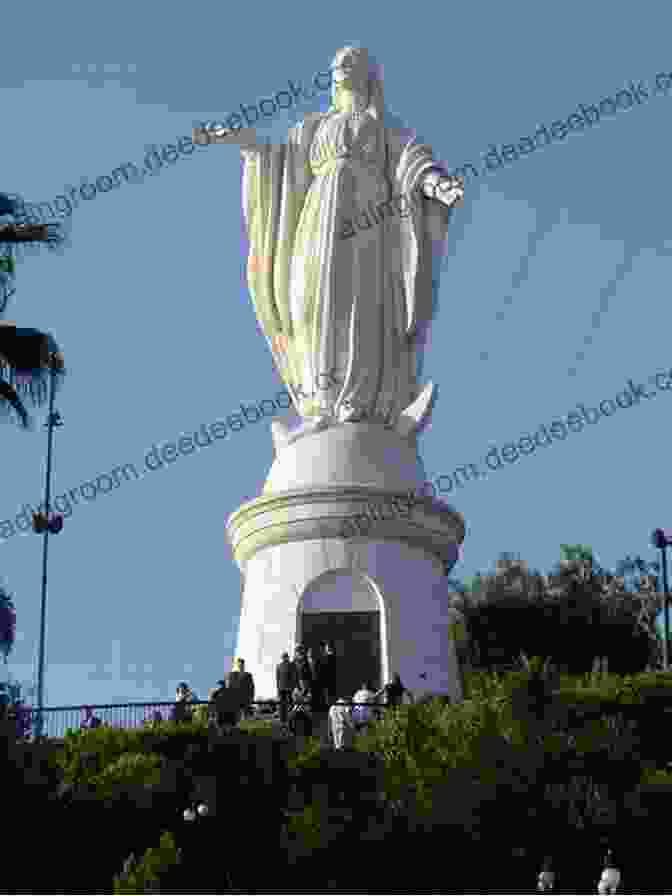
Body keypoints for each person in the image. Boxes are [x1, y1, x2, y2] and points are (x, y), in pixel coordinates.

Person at [276, 652, 298, 725]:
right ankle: (282, 719)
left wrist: (294, 687)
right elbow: (277, 678)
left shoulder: (292, 665)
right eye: (283, 657)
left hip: (289, 688)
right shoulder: (279, 666)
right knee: (282, 705)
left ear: (288, 657)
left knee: (290, 704)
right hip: (281, 688)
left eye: (286, 657)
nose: (285, 658)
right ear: (282, 658)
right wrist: (278, 689)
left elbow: (294, 676)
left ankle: (291, 718)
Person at [318, 642, 337, 708]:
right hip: (331, 681)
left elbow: (324, 669)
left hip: (327, 681)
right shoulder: (331, 657)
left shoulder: (327, 657)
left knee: (328, 698)